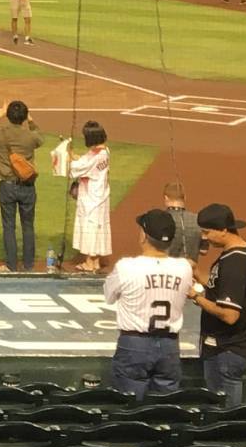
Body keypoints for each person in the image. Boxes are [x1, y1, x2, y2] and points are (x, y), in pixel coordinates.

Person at [105, 209, 192, 398]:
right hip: (170, 346)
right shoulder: (184, 268)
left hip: (134, 344)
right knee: (165, 409)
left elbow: (109, 296)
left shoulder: (126, 266)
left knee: (129, 408)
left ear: (144, 236)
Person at [188, 203, 246, 408]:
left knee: (223, 418)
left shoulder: (234, 264)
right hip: (234, 347)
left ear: (223, 230)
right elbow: (219, 286)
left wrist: (196, 297)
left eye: (207, 231)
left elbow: (230, 315)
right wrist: (197, 272)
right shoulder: (244, 249)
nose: (204, 237)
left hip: (226, 350)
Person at [0, 100, 42, 273]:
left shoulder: (1, 133)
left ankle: (10, 265)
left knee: (9, 225)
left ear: (8, 116)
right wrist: (30, 120)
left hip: (7, 186)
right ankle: (28, 265)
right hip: (27, 186)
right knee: (28, 225)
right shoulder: (31, 136)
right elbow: (39, 135)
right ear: (24, 117)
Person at [64, 120, 113, 275]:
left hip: (92, 199)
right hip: (101, 197)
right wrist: (74, 156)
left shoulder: (95, 157)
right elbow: (86, 161)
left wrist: (66, 157)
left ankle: (90, 263)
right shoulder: (104, 151)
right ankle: (95, 261)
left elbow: (74, 169)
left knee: (91, 229)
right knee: (99, 229)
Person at [159, 181, 200, 264]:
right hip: (190, 272)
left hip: (166, 274)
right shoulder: (198, 220)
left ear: (166, 198)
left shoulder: (159, 219)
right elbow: (203, 250)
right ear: (185, 197)